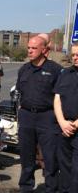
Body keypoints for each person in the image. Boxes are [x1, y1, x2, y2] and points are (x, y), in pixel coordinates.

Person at [16, 36, 62, 192]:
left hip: (47, 117)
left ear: (44, 50)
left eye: (34, 48)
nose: (29, 50)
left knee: (50, 158)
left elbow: (60, 97)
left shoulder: (55, 70)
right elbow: (20, 92)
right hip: (27, 116)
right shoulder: (24, 70)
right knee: (26, 157)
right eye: (28, 47)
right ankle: (26, 187)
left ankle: (51, 188)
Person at [54, 44, 78, 193]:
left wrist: (75, 125)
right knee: (64, 167)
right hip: (64, 128)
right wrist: (62, 122)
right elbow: (57, 98)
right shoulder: (65, 73)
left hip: (75, 127)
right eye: (74, 55)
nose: (75, 57)